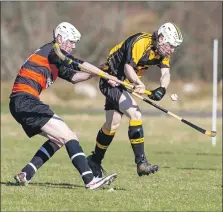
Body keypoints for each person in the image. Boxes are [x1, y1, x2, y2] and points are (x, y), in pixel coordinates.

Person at [9, 22, 117, 190]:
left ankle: (26, 173)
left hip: (20, 103)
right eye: (71, 41)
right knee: (69, 136)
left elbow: (75, 77)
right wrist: (103, 72)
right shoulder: (54, 51)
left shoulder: (54, 58)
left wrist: (101, 71)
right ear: (60, 38)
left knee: (57, 139)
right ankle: (90, 180)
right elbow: (79, 63)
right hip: (26, 100)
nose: (73, 46)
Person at [87, 22, 183, 177]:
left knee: (112, 124)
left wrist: (162, 88)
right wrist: (138, 83)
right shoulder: (141, 42)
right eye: (171, 46)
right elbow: (128, 68)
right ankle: (141, 163)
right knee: (135, 113)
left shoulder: (162, 53)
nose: (172, 50)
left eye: (174, 47)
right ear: (162, 38)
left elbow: (166, 73)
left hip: (124, 84)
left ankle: (94, 161)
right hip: (111, 79)